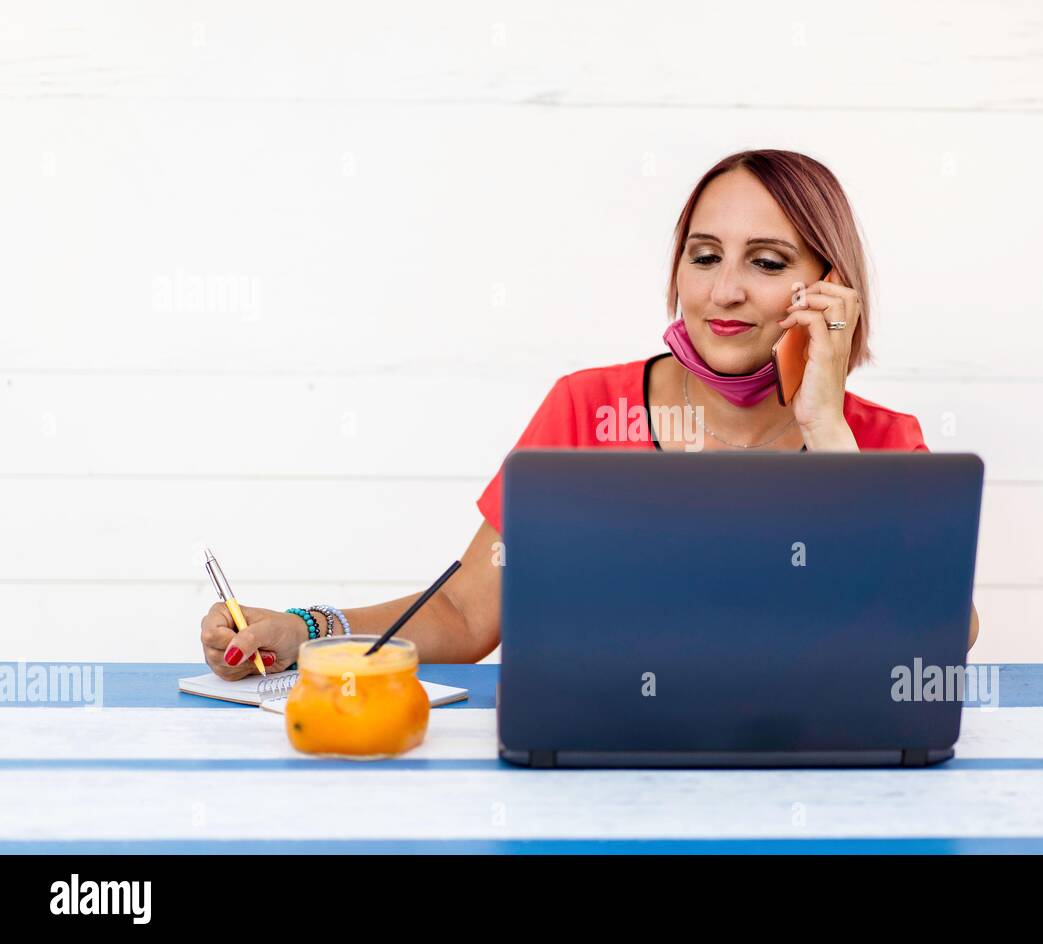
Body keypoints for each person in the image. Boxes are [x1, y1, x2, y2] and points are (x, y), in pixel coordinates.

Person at [199, 148, 980, 678]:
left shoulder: (875, 442)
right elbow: (471, 612)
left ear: (827, 288)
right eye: (704, 255)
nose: (724, 290)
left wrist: (823, 424)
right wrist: (310, 629)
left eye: (768, 263)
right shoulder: (587, 405)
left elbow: (936, 633)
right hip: (598, 781)